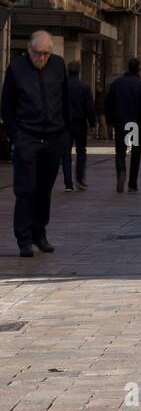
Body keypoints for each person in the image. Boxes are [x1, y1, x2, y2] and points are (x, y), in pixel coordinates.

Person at [1, 30, 70, 257]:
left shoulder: (58, 65)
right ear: (29, 49)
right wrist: (16, 134)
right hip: (27, 137)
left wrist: (64, 133)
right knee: (25, 189)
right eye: (38, 53)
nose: (42, 58)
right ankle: (23, 239)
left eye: (46, 54)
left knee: (44, 189)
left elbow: (65, 99)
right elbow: (7, 105)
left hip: (53, 137)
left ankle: (39, 233)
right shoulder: (16, 69)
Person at [106, 58, 141, 193]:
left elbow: (109, 104)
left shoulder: (117, 83)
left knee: (120, 152)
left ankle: (121, 171)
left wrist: (110, 121)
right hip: (134, 125)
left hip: (120, 123)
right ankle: (132, 183)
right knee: (135, 153)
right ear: (139, 69)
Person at [64, 60, 96, 190]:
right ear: (79, 71)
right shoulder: (84, 87)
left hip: (64, 124)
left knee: (65, 153)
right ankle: (80, 179)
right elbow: (89, 107)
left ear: (67, 70)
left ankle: (68, 184)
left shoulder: (61, 86)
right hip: (80, 123)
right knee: (81, 151)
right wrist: (93, 124)